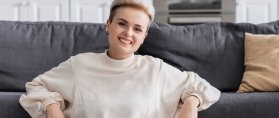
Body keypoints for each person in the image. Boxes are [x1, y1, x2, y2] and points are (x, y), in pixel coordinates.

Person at [19, 0, 221, 118]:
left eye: (137, 29)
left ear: (144, 38)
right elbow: (36, 86)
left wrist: (191, 102)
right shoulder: (80, 65)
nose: (128, 33)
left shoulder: (156, 69)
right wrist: (52, 107)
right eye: (122, 24)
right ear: (108, 25)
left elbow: (203, 87)